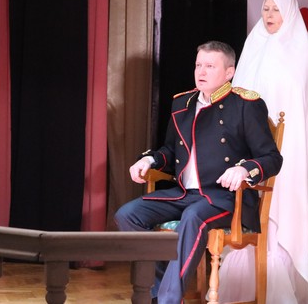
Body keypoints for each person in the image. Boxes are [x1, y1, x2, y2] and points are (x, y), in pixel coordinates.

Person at [114, 40, 283, 304]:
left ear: (229, 73)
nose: (201, 72)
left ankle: (168, 300)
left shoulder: (245, 105)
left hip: (227, 199)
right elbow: (170, 151)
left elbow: (272, 158)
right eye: (198, 65)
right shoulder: (182, 103)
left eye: (210, 66)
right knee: (127, 215)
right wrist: (149, 160)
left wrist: (244, 169)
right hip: (185, 194)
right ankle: (159, 291)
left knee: (193, 216)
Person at [217, 0, 308, 303]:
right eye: (266, 8)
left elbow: (299, 105)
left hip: (289, 148)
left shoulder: (301, 50)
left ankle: (282, 280)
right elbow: (240, 95)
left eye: (276, 9)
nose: (269, 15)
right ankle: (247, 282)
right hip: (251, 148)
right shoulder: (254, 43)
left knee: (282, 209)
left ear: (289, 13)